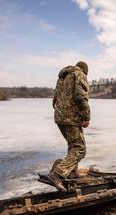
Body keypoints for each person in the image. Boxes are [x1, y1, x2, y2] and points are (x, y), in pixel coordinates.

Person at [44, 61, 91, 191]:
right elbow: (80, 97)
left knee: (72, 145)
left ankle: (71, 172)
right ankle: (57, 174)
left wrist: (61, 113)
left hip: (59, 116)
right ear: (85, 70)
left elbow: (54, 99)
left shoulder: (62, 77)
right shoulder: (79, 74)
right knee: (80, 149)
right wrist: (86, 117)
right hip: (71, 117)